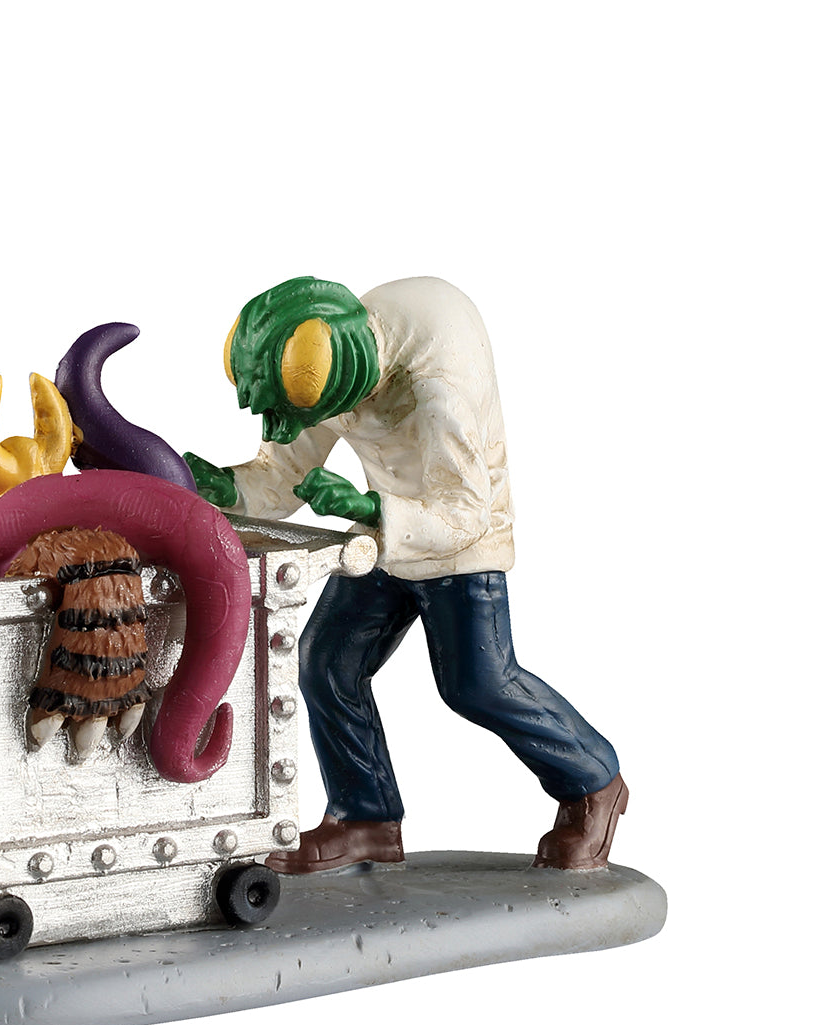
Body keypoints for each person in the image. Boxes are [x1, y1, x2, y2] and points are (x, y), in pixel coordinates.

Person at [185, 275, 626, 873]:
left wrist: (368, 507)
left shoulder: (436, 389)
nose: (280, 427)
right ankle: (364, 818)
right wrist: (225, 488)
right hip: (386, 537)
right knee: (326, 663)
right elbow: (282, 474)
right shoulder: (324, 366)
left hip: (462, 546)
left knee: (479, 684)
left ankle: (594, 782)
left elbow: (465, 512)